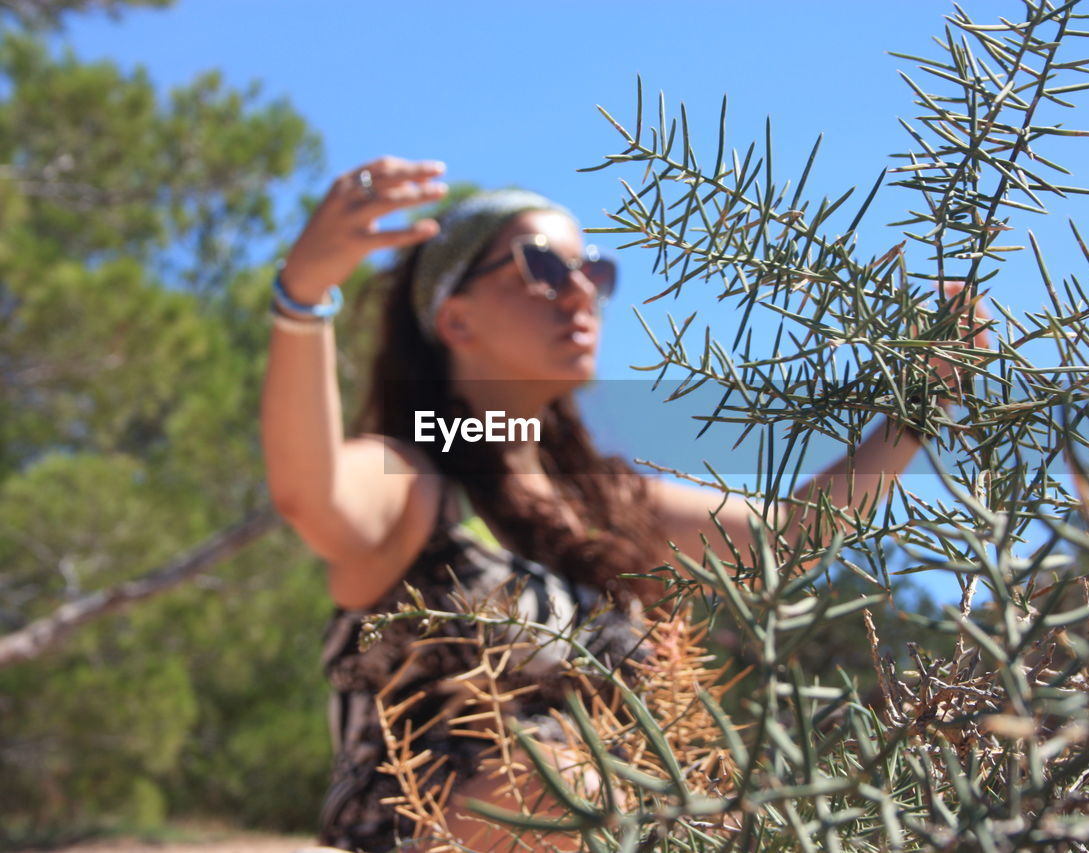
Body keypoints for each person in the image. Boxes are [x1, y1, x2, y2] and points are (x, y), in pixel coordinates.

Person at [260, 155, 983, 852]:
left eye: (595, 270)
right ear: (456, 320)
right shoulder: (416, 478)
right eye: (542, 266)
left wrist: (919, 400)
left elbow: (790, 539)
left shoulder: (604, 504)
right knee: (557, 780)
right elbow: (311, 491)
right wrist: (305, 298)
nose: (582, 292)